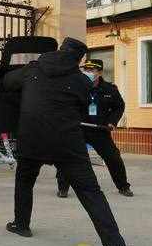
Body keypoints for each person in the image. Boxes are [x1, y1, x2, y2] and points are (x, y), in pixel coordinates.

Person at [2, 37, 138, 246]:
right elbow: (82, 107)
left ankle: (21, 224)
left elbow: (6, 82)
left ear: (60, 49)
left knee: (24, 181)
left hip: (32, 139)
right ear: (79, 59)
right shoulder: (81, 81)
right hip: (67, 143)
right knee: (90, 192)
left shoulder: (32, 70)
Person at [56, 59, 132, 198]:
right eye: (85, 70)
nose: (87, 72)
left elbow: (118, 107)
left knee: (114, 158)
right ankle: (63, 188)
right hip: (78, 129)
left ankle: (123, 186)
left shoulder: (110, 89)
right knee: (67, 158)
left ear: (99, 73)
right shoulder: (76, 87)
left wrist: (112, 122)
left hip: (99, 130)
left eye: (91, 70)